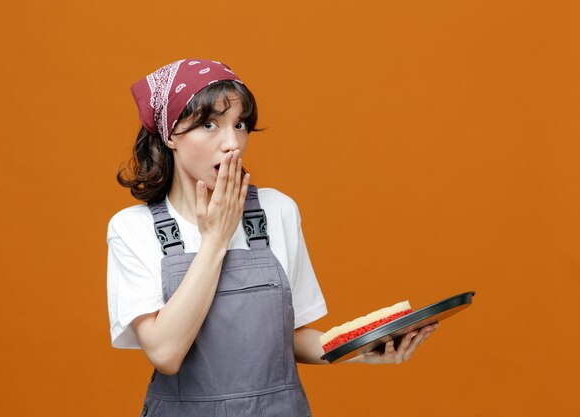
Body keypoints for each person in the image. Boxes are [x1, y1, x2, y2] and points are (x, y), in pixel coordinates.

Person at [107, 58, 437, 417]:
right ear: (170, 133)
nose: (232, 142)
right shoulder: (132, 229)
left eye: (240, 124)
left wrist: (360, 347)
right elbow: (166, 353)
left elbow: (289, 337)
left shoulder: (277, 210)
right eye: (210, 124)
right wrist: (215, 240)